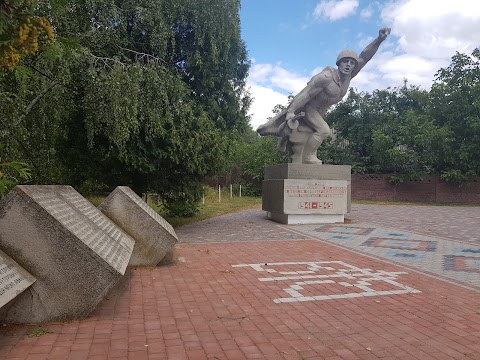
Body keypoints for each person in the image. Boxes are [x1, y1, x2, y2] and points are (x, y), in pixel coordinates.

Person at [257, 28, 391, 164]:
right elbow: (306, 94)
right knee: (324, 131)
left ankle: (287, 143)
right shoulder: (325, 78)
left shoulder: (349, 76)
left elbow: (364, 57)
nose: (348, 65)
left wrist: (379, 39)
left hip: (321, 111)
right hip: (309, 108)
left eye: (351, 63)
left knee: (307, 133)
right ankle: (308, 157)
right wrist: (291, 111)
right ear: (339, 63)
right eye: (345, 62)